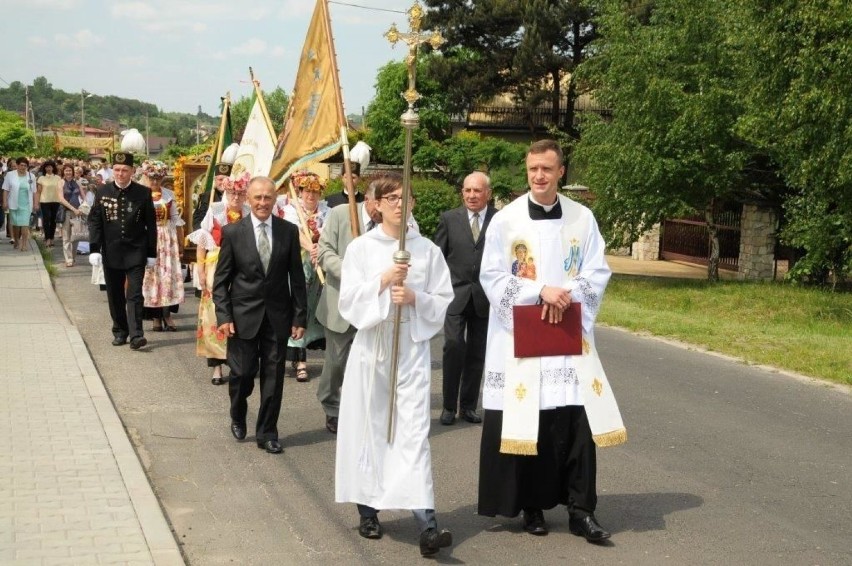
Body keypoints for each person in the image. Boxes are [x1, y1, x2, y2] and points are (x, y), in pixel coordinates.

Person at [477, 139, 626, 542]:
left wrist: (567, 296)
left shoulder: (583, 218)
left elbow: (597, 271)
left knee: (577, 421)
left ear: (561, 172)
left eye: (546, 169)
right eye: (532, 170)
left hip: (567, 332)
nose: (539, 176)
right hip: (524, 335)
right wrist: (541, 291)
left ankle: (582, 510)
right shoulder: (505, 221)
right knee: (535, 420)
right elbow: (491, 276)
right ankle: (533, 507)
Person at [334, 173, 454, 558]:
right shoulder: (362, 249)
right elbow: (349, 303)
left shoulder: (428, 251)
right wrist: (384, 281)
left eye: (406, 197)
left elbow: (443, 299)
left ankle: (427, 523)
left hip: (411, 350)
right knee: (371, 429)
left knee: (414, 431)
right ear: (377, 204)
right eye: (391, 198)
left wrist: (416, 297)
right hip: (374, 349)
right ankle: (369, 509)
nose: (399, 204)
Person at [212, 176, 308, 454]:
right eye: (258, 198)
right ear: (248, 199)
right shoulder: (233, 232)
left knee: (273, 377)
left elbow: (297, 278)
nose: (263, 203)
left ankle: (267, 432)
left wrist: (299, 317)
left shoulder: (288, 231)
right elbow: (221, 282)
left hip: (278, 316)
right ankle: (238, 413)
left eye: (268, 197)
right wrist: (224, 316)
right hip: (242, 317)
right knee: (242, 374)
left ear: (275, 198)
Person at [316, 179, 418, 434]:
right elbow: (324, 252)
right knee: (336, 362)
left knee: (370, 361)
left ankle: (363, 408)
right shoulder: (340, 215)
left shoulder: (395, 225)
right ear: (370, 200)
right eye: (379, 203)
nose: (380, 210)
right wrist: (353, 275)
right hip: (343, 301)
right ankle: (331, 405)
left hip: (379, 306)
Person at [433, 171, 497, 426]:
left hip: (485, 297)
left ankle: (468, 406)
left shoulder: (499, 220)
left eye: (477, 191)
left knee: (477, 353)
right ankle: (448, 406)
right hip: (455, 296)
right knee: (454, 347)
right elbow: (438, 258)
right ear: (462, 193)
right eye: (467, 190)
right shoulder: (449, 219)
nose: (471, 195)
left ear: (488, 194)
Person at [88, 151, 158, 350]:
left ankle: (136, 335)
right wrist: (94, 248)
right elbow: (95, 222)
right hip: (112, 250)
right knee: (115, 293)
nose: (120, 173)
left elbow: (151, 225)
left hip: (136, 250)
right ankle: (120, 331)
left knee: (134, 294)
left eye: (124, 170)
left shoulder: (143, 193)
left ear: (132, 171)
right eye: (117, 170)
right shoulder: (103, 192)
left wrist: (152, 253)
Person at [188, 172, 251, 385]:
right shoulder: (215, 210)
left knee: (240, 312)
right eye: (233, 192)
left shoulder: (249, 212)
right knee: (214, 315)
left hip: (242, 268)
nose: (236, 197)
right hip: (216, 264)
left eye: (241, 193)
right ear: (226, 192)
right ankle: (216, 367)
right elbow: (202, 242)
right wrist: (201, 271)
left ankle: (238, 361)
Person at [279, 171, 330, 382]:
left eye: (315, 192)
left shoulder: (327, 211)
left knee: (314, 309)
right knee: (297, 308)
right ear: (299, 191)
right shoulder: (291, 210)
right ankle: (300, 361)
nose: (311, 195)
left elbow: (328, 232)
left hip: (319, 265)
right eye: (307, 191)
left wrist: (320, 249)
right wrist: (311, 248)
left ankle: (321, 355)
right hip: (297, 264)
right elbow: (295, 233)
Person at [139, 160, 185, 332]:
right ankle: (155, 316)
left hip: (167, 238)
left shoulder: (169, 194)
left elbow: (175, 219)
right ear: (146, 177)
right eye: (152, 178)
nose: (155, 182)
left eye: (158, 179)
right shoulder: (142, 195)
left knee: (167, 276)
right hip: (149, 237)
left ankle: (167, 314)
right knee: (152, 277)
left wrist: (180, 244)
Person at [2, 157, 39, 251]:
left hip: (26, 204)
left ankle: (24, 244)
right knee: (15, 224)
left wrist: (36, 203)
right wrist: (5, 202)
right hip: (13, 202)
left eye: (25, 165)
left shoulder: (31, 176)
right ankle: (17, 241)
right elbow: (5, 190)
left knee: (25, 224)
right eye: (21, 165)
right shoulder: (10, 175)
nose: (23, 167)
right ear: (17, 165)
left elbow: (35, 191)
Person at [56, 164, 86, 267]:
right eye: (66, 171)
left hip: (77, 213)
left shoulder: (77, 183)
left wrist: (83, 207)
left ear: (72, 172)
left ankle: (73, 257)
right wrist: (73, 209)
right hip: (66, 212)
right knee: (66, 237)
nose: (68, 172)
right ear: (63, 172)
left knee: (76, 236)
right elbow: (61, 199)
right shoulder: (61, 183)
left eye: (70, 170)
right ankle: (68, 259)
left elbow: (84, 197)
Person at [193, 163, 231, 230]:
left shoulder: (235, 197)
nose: (223, 182)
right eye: (220, 179)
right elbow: (198, 219)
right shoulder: (206, 196)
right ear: (215, 180)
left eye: (226, 179)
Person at [37, 160, 62, 247]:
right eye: (47, 167)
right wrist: (36, 203)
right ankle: (47, 238)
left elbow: (60, 191)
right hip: (44, 201)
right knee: (46, 220)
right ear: (44, 168)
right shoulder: (41, 178)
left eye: (50, 167)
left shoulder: (58, 178)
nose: (48, 168)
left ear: (53, 168)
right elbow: (38, 192)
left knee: (53, 220)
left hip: (56, 201)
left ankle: (52, 238)